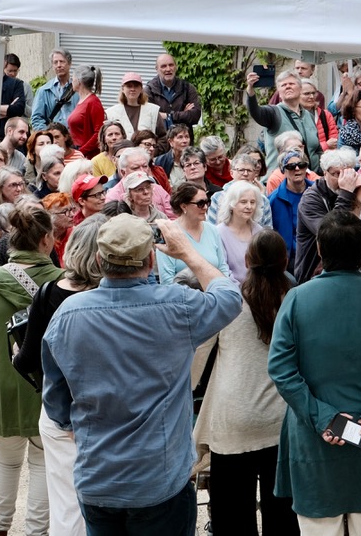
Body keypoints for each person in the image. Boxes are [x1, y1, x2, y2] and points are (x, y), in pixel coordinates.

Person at [42, 214, 241, 533]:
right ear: (151, 258)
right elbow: (229, 297)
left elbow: (55, 398)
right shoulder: (178, 306)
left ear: (98, 259)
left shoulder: (68, 314)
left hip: (99, 477)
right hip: (158, 479)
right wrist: (187, 252)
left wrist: (73, 422)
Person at [268, 209, 361, 533]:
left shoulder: (297, 299)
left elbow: (281, 369)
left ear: (320, 250)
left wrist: (323, 417)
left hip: (316, 441)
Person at [195, 230, 298, 536]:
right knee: (282, 514)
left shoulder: (228, 302)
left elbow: (199, 352)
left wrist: (184, 388)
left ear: (247, 259)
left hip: (233, 416)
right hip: (281, 418)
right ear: (285, 260)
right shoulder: (295, 300)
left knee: (232, 514)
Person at [12, 215, 103, 536]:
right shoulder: (113, 297)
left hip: (60, 409)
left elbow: (26, 360)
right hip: (107, 409)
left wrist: (16, 355)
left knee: (67, 505)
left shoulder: (50, 292)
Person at [0, 205, 64, 536]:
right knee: (44, 466)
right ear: (46, 239)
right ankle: (36, 532)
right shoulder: (63, 282)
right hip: (49, 387)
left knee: (5, 463)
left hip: (3, 381)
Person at [292, 148, 357, 283]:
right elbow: (332, 232)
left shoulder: (354, 190)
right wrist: (345, 193)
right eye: (336, 173)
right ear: (324, 173)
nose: (342, 180)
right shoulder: (310, 199)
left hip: (348, 271)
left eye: (347, 173)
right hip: (312, 276)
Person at [245, 70, 323, 172]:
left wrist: (321, 170)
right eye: (283, 85)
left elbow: (317, 149)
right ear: (279, 94)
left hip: (309, 179)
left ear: (300, 89)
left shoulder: (309, 116)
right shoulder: (273, 113)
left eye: (291, 83)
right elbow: (255, 112)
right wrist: (250, 90)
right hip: (282, 179)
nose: (287, 86)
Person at [268, 151, 312, 263]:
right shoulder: (274, 199)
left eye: (301, 165)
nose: (297, 169)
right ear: (284, 171)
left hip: (315, 254)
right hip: (288, 259)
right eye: (291, 166)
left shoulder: (317, 192)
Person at [145, 53, 201, 129]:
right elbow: (149, 117)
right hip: (160, 139)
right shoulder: (149, 90)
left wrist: (168, 116)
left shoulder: (187, 88)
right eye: (163, 66)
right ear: (157, 69)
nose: (168, 69)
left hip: (184, 139)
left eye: (171, 65)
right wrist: (183, 114)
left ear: (176, 67)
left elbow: (195, 116)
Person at [105, 71, 164, 139]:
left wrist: (153, 148)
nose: (132, 89)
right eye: (129, 86)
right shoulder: (111, 113)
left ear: (141, 89)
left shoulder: (153, 111)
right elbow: (105, 139)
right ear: (123, 89)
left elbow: (163, 138)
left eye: (136, 86)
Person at [32, 47, 80, 130]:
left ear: (69, 63)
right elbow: (36, 119)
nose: (59, 65)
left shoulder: (79, 89)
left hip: (75, 139)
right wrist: (49, 136)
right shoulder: (44, 91)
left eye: (62, 61)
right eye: (55, 62)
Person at [65, 65, 105, 160]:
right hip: (78, 151)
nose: (71, 81)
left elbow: (98, 133)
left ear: (78, 81)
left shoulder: (93, 102)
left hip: (86, 155)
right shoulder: (81, 100)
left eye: (73, 78)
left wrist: (81, 151)